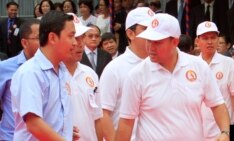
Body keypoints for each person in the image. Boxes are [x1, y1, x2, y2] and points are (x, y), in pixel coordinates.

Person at [115, 13, 230, 141]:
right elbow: (126, 122)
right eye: (149, 40)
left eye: (157, 42)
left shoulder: (199, 67)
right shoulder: (136, 76)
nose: (150, 47)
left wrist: (225, 132)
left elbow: (218, 104)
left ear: (175, 41)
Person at [10, 11, 76, 141]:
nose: (75, 42)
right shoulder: (31, 72)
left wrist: (64, 130)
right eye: (71, 36)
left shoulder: (63, 70)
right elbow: (34, 125)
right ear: (52, 38)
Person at [100, 7, 155, 141]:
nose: (152, 34)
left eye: (154, 28)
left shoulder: (160, 64)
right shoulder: (114, 68)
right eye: (145, 29)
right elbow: (103, 114)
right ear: (131, 34)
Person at [196, 21, 234, 141]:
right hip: (197, 130)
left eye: (213, 37)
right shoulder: (191, 65)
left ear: (218, 39)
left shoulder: (229, 63)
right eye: (205, 38)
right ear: (197, 41)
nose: (210, 41)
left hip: (223, 131)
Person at [64, 13, 103, 141]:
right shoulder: (50, 74)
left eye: (82, 37)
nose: (80, 43)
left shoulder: (90, 73)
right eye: (74, 37)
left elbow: (98, 118)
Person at [0, 19, 40, 141]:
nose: (44, 42)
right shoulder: (5, 67)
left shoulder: (51, 68)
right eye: (39, 37)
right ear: (24, 42)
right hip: (10, 136)